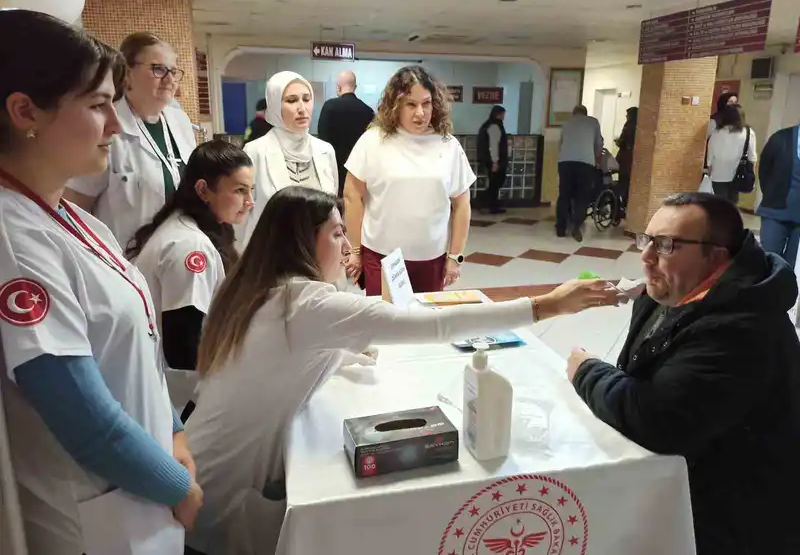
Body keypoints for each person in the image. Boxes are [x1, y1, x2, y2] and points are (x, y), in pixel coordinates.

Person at [185, 184, 622, 554]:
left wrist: (349, 354)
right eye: (336, 233)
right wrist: (545, 306)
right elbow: (435, 325)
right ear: (300, 240)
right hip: (212, 498)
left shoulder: (257, 289)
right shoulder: (305, 304)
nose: (347, 246)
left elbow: (284, 355)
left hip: (199, 463)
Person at [0, 10, 202, 555]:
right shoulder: (14, 239)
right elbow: (80, 414)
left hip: (145, 478)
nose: (116, 125)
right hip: (96, 509)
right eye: (97, 105)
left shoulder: (77, 220)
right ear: (25, 112)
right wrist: (176, 485)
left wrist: (174, 433)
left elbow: (139, 345)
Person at [567, 192, 800, 555]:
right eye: (646, 240)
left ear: (717, 256)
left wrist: (586, 371)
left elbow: (656, 418)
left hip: (734, 521)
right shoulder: (674, 289)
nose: (645, 257)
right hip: (681, 485)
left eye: (666, 245)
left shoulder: (742, 329)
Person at [126, 140, 254, 418]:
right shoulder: (190, 246)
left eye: (250, 190)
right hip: (182, 402)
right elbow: (183, 347)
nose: (250, 202)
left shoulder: (187, 227)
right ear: (203, 190)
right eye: (240, 190)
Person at [344, 65, 475, 295]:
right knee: (384, 317)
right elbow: (352, 196)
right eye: (411, 105)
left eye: (426, 103)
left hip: (431, 259)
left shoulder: (448, 145)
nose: (420, 113)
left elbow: (462, 204)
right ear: (395, 105)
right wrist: (355, 251)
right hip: (382, 257)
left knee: (426, 317)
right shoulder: (372, 141)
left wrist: (455, 256)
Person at [64, 31, 196, 251]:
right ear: (128, 73)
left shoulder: (180, 122)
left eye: (173, 71)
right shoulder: (106, 126)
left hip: (180, 254)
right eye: (158, 69)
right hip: (126, 258)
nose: (170, 80)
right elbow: (75, 206)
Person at [237, 71, 337, 250]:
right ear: (275, 105)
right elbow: (242, 215)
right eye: (291, 100)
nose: (302, 108)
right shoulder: (255, 151)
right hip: (272, 253)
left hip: (318, 252)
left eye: (307, 99)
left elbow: (332, 207)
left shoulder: (325, 150)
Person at [317, 70, 375, 197]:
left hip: (333, 170)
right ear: (355, 87)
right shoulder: (368, 111)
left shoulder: (329, 106)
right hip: (358, 173)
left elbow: (321, 140)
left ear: (338, 88)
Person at [756, 122, 800, 268]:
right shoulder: (781, 138)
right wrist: (771, 193)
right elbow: (764, 168)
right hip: (775, 211)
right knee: (768, 259)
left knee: (791, 265)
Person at [556, 105, 603, 242]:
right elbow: (598, 145)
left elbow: (561, 143)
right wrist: (598, 160)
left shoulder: (566, 122)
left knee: (564, 195)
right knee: (582, 196)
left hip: (565, 162)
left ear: (574, 113)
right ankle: (576, 225)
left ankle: (560, 228)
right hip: (585, 163)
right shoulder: (593, 122)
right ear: (585, 113)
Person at [706, 104, 756, 204]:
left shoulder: (716, 134)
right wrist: (751, 176)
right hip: (738, 176)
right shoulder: (748, 133)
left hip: (718, 176)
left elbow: (710, 161)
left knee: (719, 206)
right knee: (732, 205)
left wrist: (710, 174)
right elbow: (752, 158)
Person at [477, 105, 509, 214]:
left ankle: (492, 205)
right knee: (496, 183)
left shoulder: (488, 125)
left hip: (488, 159)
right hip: (494, 160)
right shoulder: (494, 126)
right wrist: (495, 162)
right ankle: (482, 202)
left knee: (494, 183)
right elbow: (494, 145)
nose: (504, 116)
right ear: (498, 114)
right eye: (503, 114)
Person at [614, 106, 637, 208]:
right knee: (629, 183)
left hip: (625, 159)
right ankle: (626, 204)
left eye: (627, 114)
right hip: (632, 160)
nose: (626, 116)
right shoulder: (639, 126)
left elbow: (622, 141)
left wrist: (618, 142)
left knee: (623, 182)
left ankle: (621, 205)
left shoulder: (628, 126)